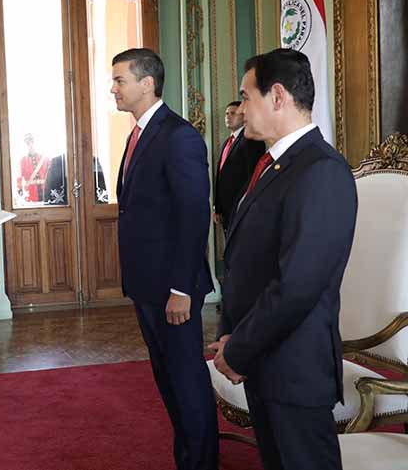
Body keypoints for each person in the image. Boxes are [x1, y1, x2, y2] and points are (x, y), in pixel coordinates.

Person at [210, 49, 357, 470]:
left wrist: (239, 349)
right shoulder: (275, 165)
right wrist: (232, 335)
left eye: (245, 96)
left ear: (277, 96)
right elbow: (247, 262)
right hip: (264, 359)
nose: (240, 108)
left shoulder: (321, 171)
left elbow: (297, 285)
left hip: (294, 370)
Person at [112, 48, 217, 470]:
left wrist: (180, 288)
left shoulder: (179, 136)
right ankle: (187, 458)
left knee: (187, 382)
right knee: (168, 381)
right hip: (147, 285)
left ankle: (202, 463)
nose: (113, 88)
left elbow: (193, 217)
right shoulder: (139, 133)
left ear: (147, 84)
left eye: (120, 80)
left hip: (173, 290)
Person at [213, 101, 266, 235]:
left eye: (233, 113)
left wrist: (244, 207)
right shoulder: (227, 142)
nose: (228, 117)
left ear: (243, 117)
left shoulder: (252, 140)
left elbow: (252, 177)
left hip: (241, 209)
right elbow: (221, 176)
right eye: (226, 114)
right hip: (226, 212)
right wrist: (217, 207)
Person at [16, 133, 49, 203]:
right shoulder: (23, 161)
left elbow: (51, 174)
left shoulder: (45, 159)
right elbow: (19, 178)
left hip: (45, 190)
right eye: (27, 143)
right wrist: (20, 189)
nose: (30, 144)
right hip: (31, 193)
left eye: (32, 141)